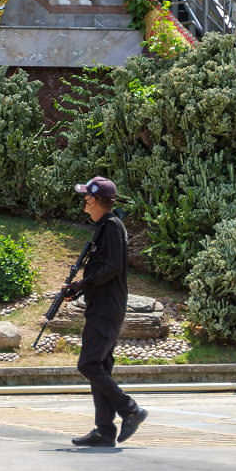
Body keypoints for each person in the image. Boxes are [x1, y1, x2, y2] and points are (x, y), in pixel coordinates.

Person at [63, 176, 148, 448]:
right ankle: (104, 431)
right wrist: (79, 287)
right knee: (100, 367)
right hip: (104, 306)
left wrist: (82, 283)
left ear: (94, 199)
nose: (83, 202)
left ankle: (130, 409)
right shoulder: (106, 227)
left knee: (87, 365)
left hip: (107, 308)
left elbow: (112, 267)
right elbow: (104, 268)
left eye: (86, 197)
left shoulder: (111, 227)